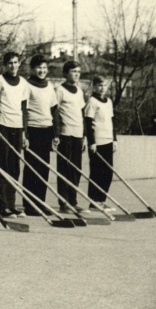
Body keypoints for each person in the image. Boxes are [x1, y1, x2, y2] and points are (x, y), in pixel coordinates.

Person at [0, 52, 30, 218]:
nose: (13, 66)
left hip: (17, 127)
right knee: (2, 166)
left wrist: (24, 133)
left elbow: (24, 110)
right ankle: (2, 206)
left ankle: (11, 204)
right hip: (3, 126)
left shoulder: (23, 83)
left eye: (16, 63)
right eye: (10, 63)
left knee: (14, 168)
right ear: (5, 65)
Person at [21, 54, 59, 216]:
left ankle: (40, 202)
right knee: (32, 168)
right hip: (33, 130)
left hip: (46, 130)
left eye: (44, 68)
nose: (42, 71)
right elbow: (24, 110)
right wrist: (25, 133)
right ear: (32, 69)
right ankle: (30, 204)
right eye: (39, 68)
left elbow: (54, 110)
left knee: (44, 169)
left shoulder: (49, 86)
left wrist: (55, 133)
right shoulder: (27, 85)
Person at [55, 60, 88, 213]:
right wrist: (56, 133)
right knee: (64, 169)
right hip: (65, 134)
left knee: (76, 169)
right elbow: (55, 112)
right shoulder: (60, 90)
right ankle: (64, 203)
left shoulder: (80, 91)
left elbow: (82, 114)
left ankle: (73, 201)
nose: (76, 74)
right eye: (73, 71)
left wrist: (84, 136)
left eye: (78, 72)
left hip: (78, 134)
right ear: (65, 74)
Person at [84, 75, 117, 211]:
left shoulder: (108, 101)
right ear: (94, 86)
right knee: (97, 172)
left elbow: (112, 121)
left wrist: (114, 139)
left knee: (107, 173)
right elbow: (87, 122)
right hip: (97, 142)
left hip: (108, 140)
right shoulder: (92, 101)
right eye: (99, 85)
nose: (102, 88)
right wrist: (92, 142)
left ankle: (102, 200)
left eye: (104, 85)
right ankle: (94, 201)